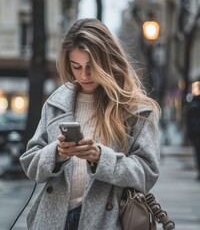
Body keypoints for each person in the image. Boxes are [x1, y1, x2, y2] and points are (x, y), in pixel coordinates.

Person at [19, 18, 161, 230]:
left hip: (107, 221)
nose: (83, 75)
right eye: (76, 67)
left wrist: (100, 158)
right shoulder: (57, 103)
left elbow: (147, 173)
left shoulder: (135, 109)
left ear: (107, 61)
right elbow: (30, 164)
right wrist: (57, 153)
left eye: (91, 67)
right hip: (53, 220)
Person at [186, 81, 200, 180]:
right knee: (197, 153)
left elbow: (188, 121)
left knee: (197, 153)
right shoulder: (192, 105)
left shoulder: (192, 104)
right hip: (195, 133)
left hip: (195, 133)